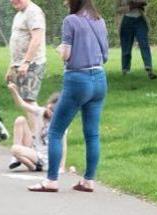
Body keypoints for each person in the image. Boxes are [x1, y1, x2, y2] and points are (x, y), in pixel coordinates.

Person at [27, 0, 106, 194]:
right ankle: (88, 180)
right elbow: (105, 55)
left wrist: (61, 51)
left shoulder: (70, 21)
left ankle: (51, 180)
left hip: (77, 79)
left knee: (55, 130)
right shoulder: (99, 20)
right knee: (92, 133)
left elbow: (67, 54)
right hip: (99, 79)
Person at [6, 0, 45, 137]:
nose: (13, 1)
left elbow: (36, 38)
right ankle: (38, 132)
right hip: (20, 64)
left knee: (28, 100)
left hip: (32, 64)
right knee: (26, 99)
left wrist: (26, 62)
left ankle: (38, 135)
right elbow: (16, 42)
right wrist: (11, 67)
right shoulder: (19, 14)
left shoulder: (33, 12)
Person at [7, 82, 62, 172]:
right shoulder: (41, 111)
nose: (49, 112)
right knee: (20, 120)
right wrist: (14, 91)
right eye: (49, 108)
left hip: (43, 157)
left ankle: (33, 167)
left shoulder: (59, 123)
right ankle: (15, 158)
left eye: (52, 111)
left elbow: (63, 145)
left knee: (14, 149)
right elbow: (22, 104)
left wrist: (61, 166)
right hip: (34, 148)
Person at [116, 0, 155, 79]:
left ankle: (149, 68)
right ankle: (125, 70)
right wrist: (131, 6)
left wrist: (140, 4)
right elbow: (117, 9)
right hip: (126, 20)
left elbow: (146, 4)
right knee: (126, 47)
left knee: (144, 44)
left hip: (140, 19)